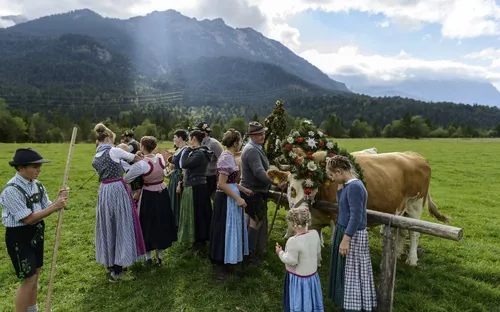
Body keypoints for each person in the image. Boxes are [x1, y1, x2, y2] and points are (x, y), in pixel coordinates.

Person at [0, 147, 69, 312]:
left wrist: (59, 200)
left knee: (35, 275)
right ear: (21, 168)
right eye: (34, 166)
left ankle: (33, 309)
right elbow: (28, 218)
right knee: (28, 279)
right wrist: (55, 207)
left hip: (36, 233)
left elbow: (46, 208)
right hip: (19, 237)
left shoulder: (37, 185)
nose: (38, 170)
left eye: (40, 166)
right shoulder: (11, 190)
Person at [92, 123, 146, 282]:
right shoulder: (113, 150)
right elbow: (134, 158)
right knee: (122, 224)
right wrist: (140, 156)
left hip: (104, 190)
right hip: (116, 189)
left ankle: (110, 265)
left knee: (108, 225)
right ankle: (118, 269)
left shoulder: (96, 156)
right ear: (108, 138)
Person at [326, 155, 377, 312]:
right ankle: (346, 302)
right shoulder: (347, 186)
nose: (332, 178)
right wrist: (340, 191)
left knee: (352, 271)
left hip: (352, 234)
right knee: (346, 270)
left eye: (333, 175)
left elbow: (356, 216)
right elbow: (344, 207)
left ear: (340, 171)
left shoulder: (355, 187)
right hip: (345, 229)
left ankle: (354, 306)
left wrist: (346, 239)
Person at [124, 136, 177, 266]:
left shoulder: (142, 164)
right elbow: (164, 168)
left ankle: (147, 257)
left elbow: (128, 178)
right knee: (161, 222)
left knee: (147, 223)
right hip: (163, 192)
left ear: (142, 147)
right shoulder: (159, 157)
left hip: (149, 194)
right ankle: (159, 256)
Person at [240, 121, 286, 263]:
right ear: (252, 136)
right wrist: (277, 182)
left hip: (253, 190)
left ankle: (247, 250)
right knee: (255, 222)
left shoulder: (254, 147)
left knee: (251, 221)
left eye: (264, 133)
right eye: (259, 134)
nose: (263, 136)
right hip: (253, 192)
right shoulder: (252, 150)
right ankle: (249, 254)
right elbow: (260, 173)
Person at [209, 129, 252, 280]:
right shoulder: (226, 158)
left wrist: (243, 189)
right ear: (235, 143)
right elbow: (221, 184)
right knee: (225, 228)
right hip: (226, 199)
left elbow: (231, 181)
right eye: (240, 141)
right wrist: (238, 198)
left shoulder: (229, 156)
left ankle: (231, 258)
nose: (241, 144)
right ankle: (223, 264)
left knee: (231, 228)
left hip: (230, 196)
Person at [276, 206, 324, 312]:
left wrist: (280, 253)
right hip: (312, 276)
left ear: (293, 225)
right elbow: (317, 252)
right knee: (311, 297)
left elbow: (291, 260)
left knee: (299, 299)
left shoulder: (293, 241)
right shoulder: (315, 234)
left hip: (299, 279)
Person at [177, 130, 213, 255]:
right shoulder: (199, 152)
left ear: (193, 138)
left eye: (189, 138)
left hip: (196, 187)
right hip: (196, 186)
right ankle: (197, 241)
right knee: (196, 214)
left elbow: (184, 164)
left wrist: (187, 149)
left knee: (197, 215)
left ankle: (199, 242)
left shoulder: (200, 153)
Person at [193, 122, 223, 199]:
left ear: (204, 133)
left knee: (206, 199)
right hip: (200, 176)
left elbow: (222, 160)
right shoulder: (199, 143)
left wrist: (219, 178)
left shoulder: (214, 144)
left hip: (210, 177)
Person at [167, 129, 189, 228]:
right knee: (172, 199)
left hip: (179, 177)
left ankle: (178, 223)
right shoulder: (179, 149)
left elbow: (184, 169)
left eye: (175, 137)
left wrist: (180, 183)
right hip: (174, 176)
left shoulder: (185, 150)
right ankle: (173, 221)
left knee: (178, 201)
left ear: (180, 138)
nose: (173, 139)